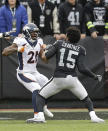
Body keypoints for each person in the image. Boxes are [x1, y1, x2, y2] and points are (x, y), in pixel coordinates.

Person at [30, 26, 105, 123]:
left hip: (58, 79)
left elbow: (46, 57)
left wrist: (46, 49)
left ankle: (40, 117)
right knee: (86, 99)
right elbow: (82, 69)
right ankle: (94, 116)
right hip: (72, 80)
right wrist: (94, 76)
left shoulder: (59, 43)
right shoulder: (81, 49)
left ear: (68, 36)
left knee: (40, 96)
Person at [2, 23, 53, 122]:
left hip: (34, 72)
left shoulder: (39, 41)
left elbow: (44, 59)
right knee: (36, 88)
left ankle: (44, 107)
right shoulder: (20, 41)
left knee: (49, 86)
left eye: (36, 32)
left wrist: (48, 52)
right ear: (27, 32)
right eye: (33, 32)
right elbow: (4, 52)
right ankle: (37, 115)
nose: (35, 34)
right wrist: (18, 49)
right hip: (23, 72)